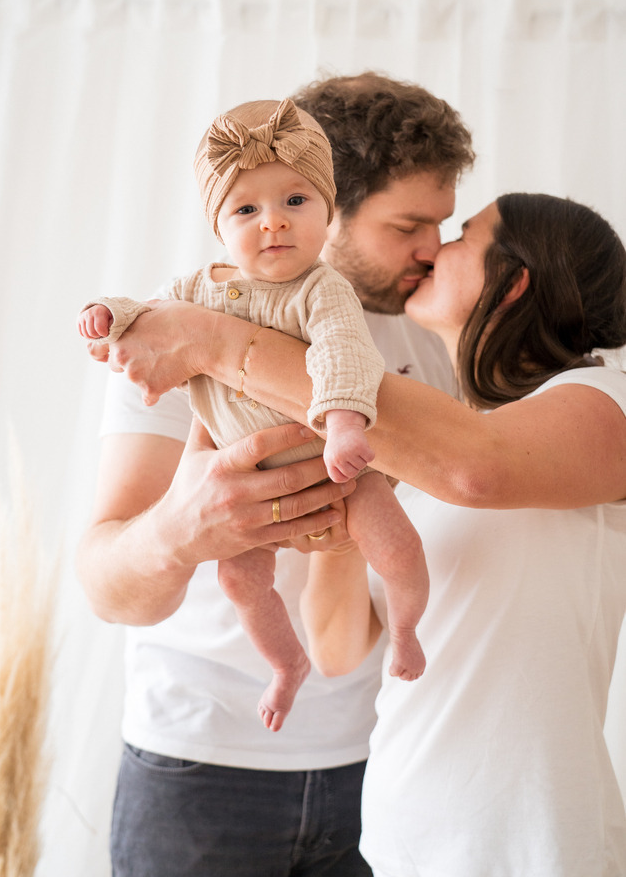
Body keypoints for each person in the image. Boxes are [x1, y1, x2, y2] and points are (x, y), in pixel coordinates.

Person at [121, 192, 626, 876]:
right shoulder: (423, 443)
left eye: (460, 236)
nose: (431, 248)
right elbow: (334, 643)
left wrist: (211, 339)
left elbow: (477, 470)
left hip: (532, 844)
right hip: (399, 838)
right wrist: (341, 499)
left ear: (513, 280)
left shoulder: (605, 398)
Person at [78, 73, 475, 876]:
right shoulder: (177, 328)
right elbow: (106, 585)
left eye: (440, 223)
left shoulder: (434, 353)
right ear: (331, 211)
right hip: (197, 767)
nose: (433, 249)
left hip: (374, 767)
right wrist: (178, 532)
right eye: (409, 225)